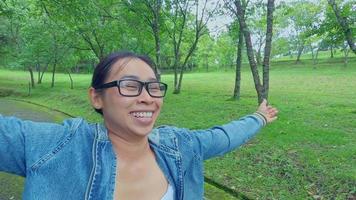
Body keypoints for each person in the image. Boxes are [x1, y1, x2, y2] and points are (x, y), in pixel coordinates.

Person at [0, 51, 278, 200]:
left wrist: (259, 117)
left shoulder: (179, 147)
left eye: (154, 87)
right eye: (130, 86)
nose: (147, 98)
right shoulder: (57, 145)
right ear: (97, 97)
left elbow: (223, 137)